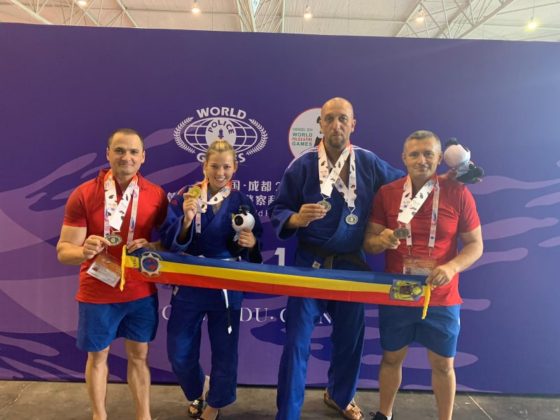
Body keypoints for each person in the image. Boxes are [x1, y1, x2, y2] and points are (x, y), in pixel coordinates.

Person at [268, 97, 404, 420]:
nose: (336, 125)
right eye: (329, 119)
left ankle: (340, 396)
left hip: (350, 264)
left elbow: (405, 185)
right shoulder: (302, 165)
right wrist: (296, 219)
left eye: (343, 119)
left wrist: (445, 179)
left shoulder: (368, 162)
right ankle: (288, 412)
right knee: (297, 341)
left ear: (353, 124)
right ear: (320, 125)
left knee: (350, 339)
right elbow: (278, 209)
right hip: (309, 263)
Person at [363, 130, 483, 420]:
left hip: (441, 295)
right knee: (391, 358)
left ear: (440, 158)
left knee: (443, 364)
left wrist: (451, 267)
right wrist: (383, 241)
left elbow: (475, 245)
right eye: (414, 154)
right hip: (398, 293)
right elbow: (369, 243)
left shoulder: (458, 192)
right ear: (404, 158)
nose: (421, 160)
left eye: (428, 154)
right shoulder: (387, 193)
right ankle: (384, 414)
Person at [56, 128, 168, 420]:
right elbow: (63, 251)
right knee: (97, 357)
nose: (126, 157)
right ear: (108, 154)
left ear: (143, 157)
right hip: (97, 291)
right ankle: (99, 416)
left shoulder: (156, 195)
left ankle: (144, 416)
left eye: (133, 151)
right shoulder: (84, 193)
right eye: (119, 150)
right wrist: (83, 251)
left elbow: (170, 245)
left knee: (140, 357)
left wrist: (153, 246)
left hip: (140, 292)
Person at [159, 139, 263, 420]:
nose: (220, 172)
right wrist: (186, 220)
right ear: (204, 165)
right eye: (214, 166)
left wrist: (251, 242)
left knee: (225, 351)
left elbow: (255, 242)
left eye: (226, 167)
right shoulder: (186, 196)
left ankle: (215, 403)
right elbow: (168, 241)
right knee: (179, 351)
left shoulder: (242, 201)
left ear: (235, 167)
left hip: (227, 283)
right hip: (191, 281)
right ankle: (197, 392)